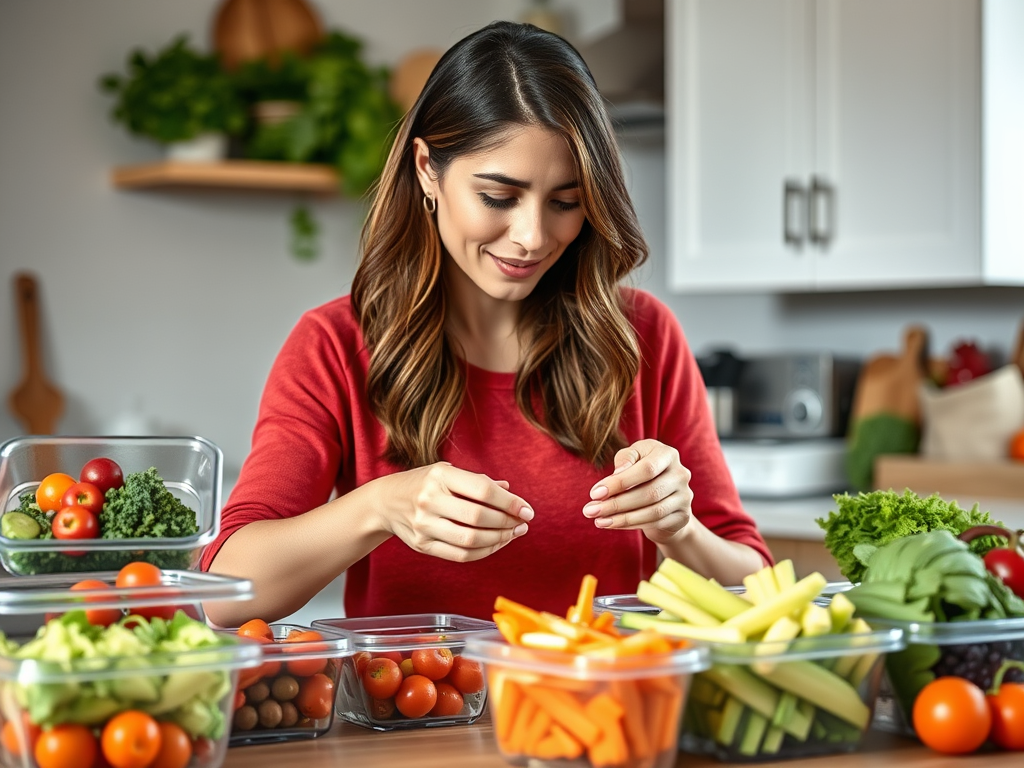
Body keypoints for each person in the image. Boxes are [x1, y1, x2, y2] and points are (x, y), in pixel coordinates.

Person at [201, 20, 771, 627]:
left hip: (604, 712)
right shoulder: (335, 345)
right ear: (427, 169)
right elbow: (222, 593)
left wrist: (680, 529)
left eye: (566, 202)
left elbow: (758, 588)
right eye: (499, 197)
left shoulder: (644, 336)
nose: (531, 237)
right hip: (418, 718)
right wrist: (376, 509)